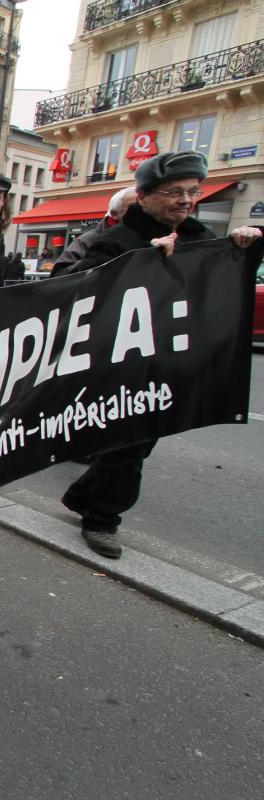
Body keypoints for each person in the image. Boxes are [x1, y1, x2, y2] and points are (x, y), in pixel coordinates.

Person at [58, 151, 261, 559]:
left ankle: (83, 495)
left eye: (192, 192)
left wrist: (245, 246)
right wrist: (140, 261)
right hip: (123, 364)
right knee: (127, 442)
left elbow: (224, 282)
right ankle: (102, 520)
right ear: (145, 196)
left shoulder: (202, 238)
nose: (185, 200)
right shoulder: (118, 240)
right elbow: (78, 290)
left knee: (139, 441)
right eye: (174, 192)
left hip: (170, 362)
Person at [50, 186, 136, 276]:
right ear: (114, 214)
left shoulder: (143, 237)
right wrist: (92, 262)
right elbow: (58, 275)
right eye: (133, 206)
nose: (139, 211)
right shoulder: (88, 240)